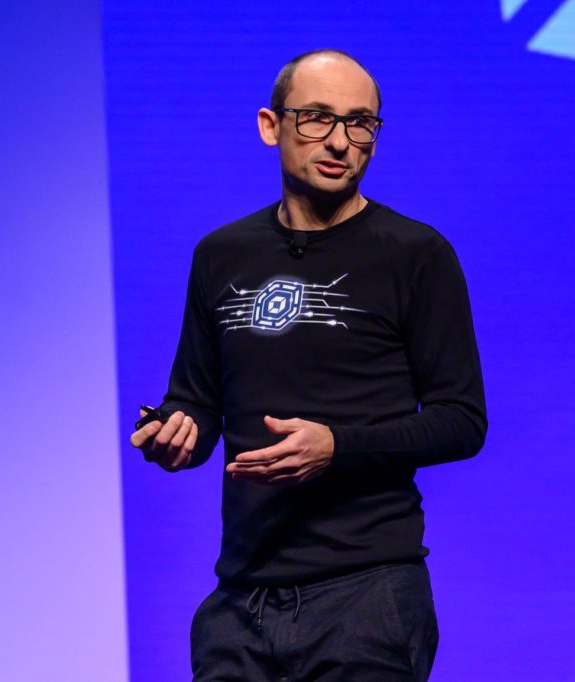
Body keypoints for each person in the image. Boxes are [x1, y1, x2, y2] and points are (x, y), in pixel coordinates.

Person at [130, 49, 486, 681]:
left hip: (367, 596)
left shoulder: (416, 254)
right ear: (271, 126)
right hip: (240, 602)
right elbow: (197, 401)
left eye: (360, 123)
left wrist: (336, 447)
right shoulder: (220, 254)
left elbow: (461, 421)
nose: (341, 142)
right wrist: (176, 431)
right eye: (317, 117)